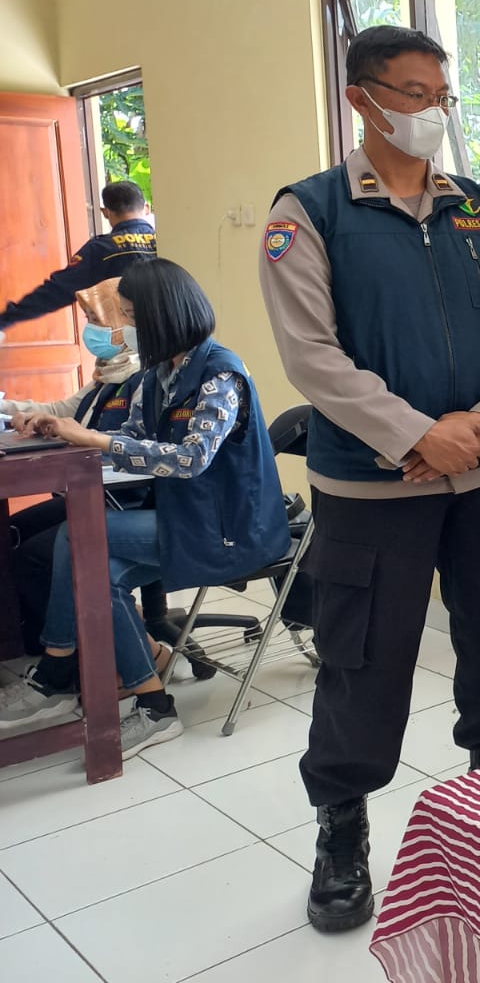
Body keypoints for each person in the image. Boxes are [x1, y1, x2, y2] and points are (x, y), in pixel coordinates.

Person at [259, 25, 480, 934]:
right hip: (373, 489)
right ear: (363, 99)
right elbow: (312, 356)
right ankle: (341, 829)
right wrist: (419, 434)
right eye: (414, 94)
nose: (432, 113)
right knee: (364, 664)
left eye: (441, 97)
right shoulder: (308, 214)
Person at [0, 259, 289, 758]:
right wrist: (59, 429)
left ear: (163, 317)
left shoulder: (223, 373)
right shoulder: (160, 375)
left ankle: (54, 669)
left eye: (133, 316)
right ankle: (153, 706)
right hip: (186, 520)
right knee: (97, 570)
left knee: (78, 538)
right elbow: (132, 437)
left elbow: (191, 459)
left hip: (230, 529)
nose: (127, 328)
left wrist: (89, 437)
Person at [3, 279, 147, 654]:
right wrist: (15, 410)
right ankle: (37, 645)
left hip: (124, 498)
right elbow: (61, 412)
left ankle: (74, 660)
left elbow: (134, 450)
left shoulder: (143, 376)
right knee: (11, 532)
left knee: (35, 556)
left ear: (122, 321)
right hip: (91, 489)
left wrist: (75, 435)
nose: (90, 330)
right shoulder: (106, 376)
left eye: (95, 319)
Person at [0, 182, 156, 341]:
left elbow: (57, 291)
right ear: (147, 208)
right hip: (174, 340)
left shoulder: (100, 249)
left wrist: (6, 319)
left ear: (105, 212)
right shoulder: (164, 241)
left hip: (129, 346)